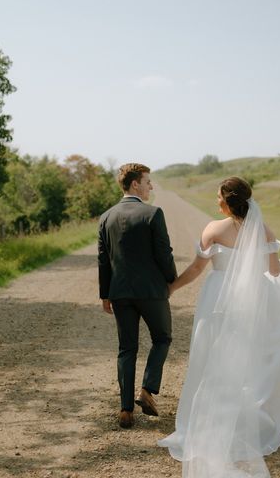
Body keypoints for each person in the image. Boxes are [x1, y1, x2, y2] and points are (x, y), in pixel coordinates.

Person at [158, 176, 280, 477]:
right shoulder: (264, 230)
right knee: (254, 356)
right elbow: (274, 270)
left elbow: (196, 268)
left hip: (218, 297)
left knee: (212, 353)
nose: (216, 201)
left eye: (218, 196)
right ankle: (251, 420)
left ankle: (210, 418)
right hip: (256, 299)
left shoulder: (213, 229)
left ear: (226, 200)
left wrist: (171, 288)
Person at [98, 163, 178, 429]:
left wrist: (105, 294)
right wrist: (171, 279)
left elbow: (103, 260)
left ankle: (125, 410)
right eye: (147, 181)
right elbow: (163, 253)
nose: (150, 186)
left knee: (126, 348)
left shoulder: (105, 217)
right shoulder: (153, 213)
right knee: (162, 337)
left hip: (119, 292)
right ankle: (146, 390)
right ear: (135, 184)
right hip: (151, 291)